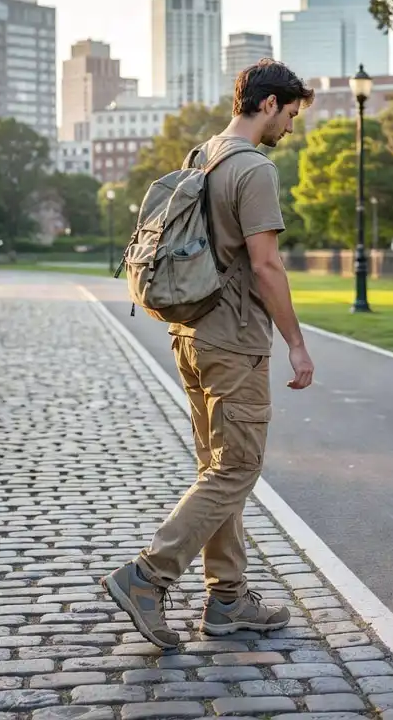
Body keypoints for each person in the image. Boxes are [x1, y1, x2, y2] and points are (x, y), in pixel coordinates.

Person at [101, 59, 316, 648]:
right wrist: (296, 343)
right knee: (237, 468)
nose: (291, 129)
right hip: (234, 341)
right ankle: (149, 575)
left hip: (190, 333)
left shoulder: (204, 155)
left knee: (217, 468)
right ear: (269, 105)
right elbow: (267, 266)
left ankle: (226, 600)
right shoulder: (253, 169)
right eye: (291, 115)